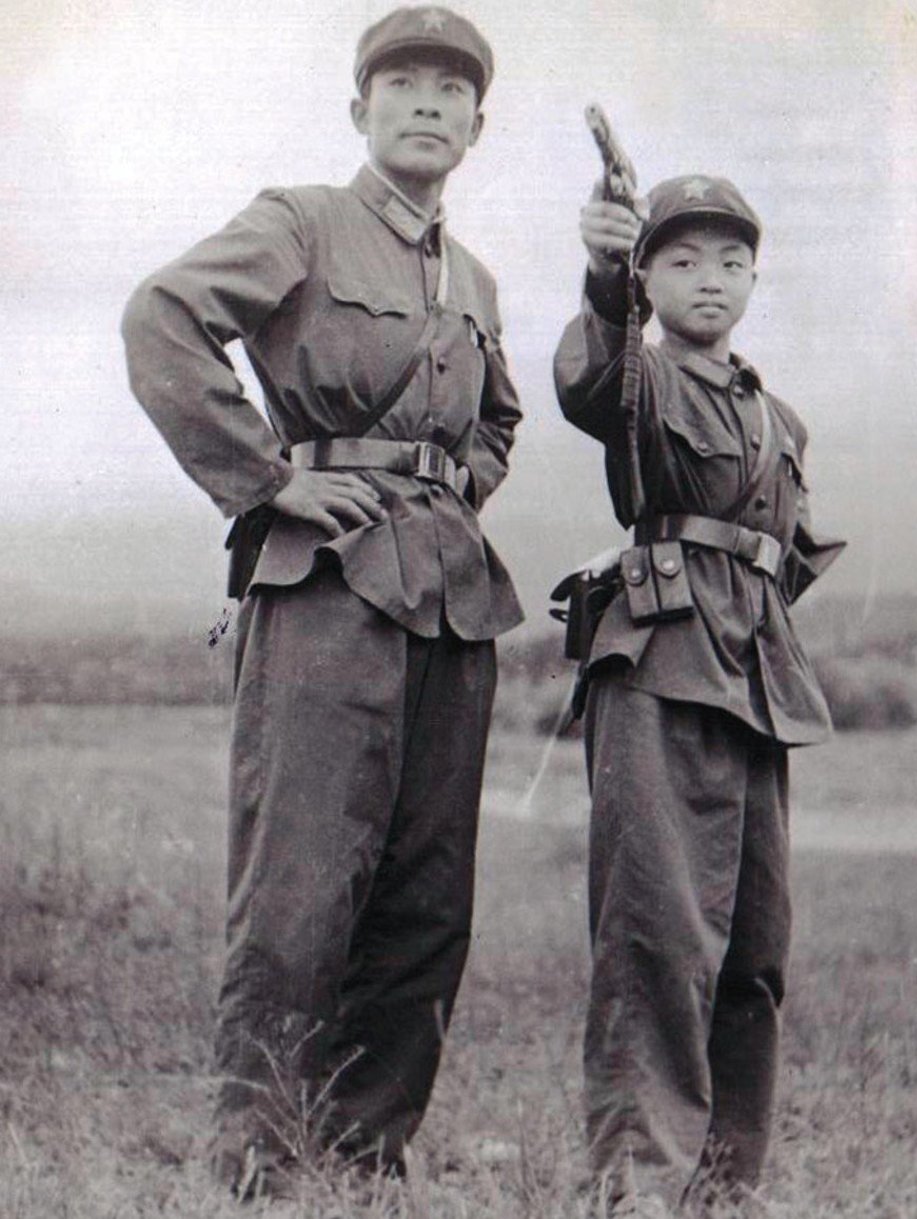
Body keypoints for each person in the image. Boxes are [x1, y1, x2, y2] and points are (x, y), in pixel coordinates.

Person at [121, 5, 522, 1197]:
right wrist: (268, 481)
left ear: (476, 126)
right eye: (402, 82)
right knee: (299, 881)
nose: (426, 103)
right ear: (361, 110)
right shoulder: (302, 219)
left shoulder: (479, 277)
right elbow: (163, 317)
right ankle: (258, 1157)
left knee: (426, 895)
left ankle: (363, 1151)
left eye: (451, 90)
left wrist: (451, 494)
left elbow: (497, 422)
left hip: (449, 606)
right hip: (327, 591)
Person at [553, 174, 845, 1216]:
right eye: (679, 260)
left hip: (755, 679)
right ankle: (637, 1188)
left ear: (755, 277)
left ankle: (728, 1187)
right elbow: (587, 377)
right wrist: (600, 280)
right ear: (646, 276)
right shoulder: (638, 378)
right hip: (661, 670)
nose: (708, 280)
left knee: (756, 949)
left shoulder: (780, 420)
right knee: (655, 939)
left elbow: (788, 556)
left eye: (728, 261)